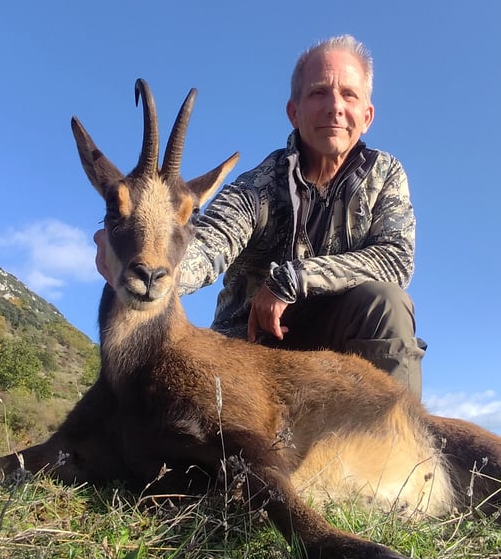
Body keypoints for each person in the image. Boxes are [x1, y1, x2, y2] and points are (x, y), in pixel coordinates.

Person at [96, 35, 426, 398]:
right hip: (252, 351)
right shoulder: (257, 186)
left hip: (339, 347)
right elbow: (208, 246)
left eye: (349, 95)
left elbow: (396, 260)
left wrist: (293, 279)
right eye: (319, 92)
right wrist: (136, 257)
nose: (335, 107)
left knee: (387, 304)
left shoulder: (385, 174)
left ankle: (401, 432)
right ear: (293, 112)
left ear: (367, 116)